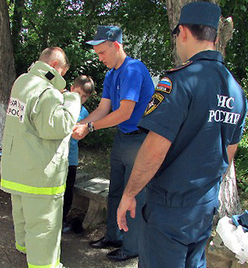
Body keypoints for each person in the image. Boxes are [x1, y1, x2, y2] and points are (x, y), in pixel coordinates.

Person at [116, 2, 248, 267]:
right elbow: (229, 153)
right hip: (204, 206)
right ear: (216, 37)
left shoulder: (179, 81)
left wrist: (130, 193)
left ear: (184, 32)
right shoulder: (236, 91)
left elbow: (155, 148)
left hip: (169, 207)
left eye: (176, 34)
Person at [72, 25, 155, 261]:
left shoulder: (133, 70)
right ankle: (113, 235)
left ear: (116, 46)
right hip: (122, 139)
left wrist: (89, 127)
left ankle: (132, 247)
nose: (100, 59)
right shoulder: (111, 74)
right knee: (116, 190)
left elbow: (125, 112)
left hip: (140, 139)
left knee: (135, 194)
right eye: (97, 54)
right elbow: (103, 108)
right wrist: (79, 125)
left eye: (102, 53)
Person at [0, 47, 81, 268]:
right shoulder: (48, 92)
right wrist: (73, 100)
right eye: (63, 72)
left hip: (17, 168)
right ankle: (44, 264)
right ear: (56, 67)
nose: (62, 78)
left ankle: (24, 247)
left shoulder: (22, 82)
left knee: (23, 214)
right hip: (39, 173)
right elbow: (55, 127)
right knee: (44, 225)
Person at [62, 75, 94, 234]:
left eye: (85, 97)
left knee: (67, 192)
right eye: (79, 94)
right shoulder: (61, 104)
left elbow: (84, 132)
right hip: (56, 158)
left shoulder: (85, 112)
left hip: (71, 159)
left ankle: (62, 220)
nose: (81, 99)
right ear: (72, 89)